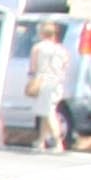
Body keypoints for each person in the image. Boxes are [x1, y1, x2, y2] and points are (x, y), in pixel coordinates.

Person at [27, 22, 71, 153]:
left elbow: (33, 67)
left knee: (48, 112)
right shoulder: (61, 49)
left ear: (42, 33)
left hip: (43, 81)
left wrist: (31, 78)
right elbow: (66, 65)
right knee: (46, 111)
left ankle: (58, 142)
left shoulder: (38, 48)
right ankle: (41, 141)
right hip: (57, 82)